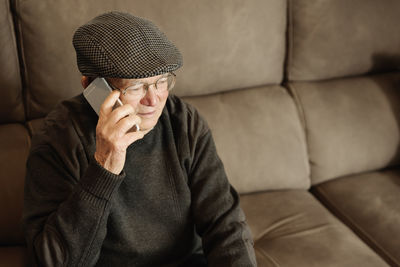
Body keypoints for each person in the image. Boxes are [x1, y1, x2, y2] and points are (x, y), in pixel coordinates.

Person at [23, 11, 256, 267]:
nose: (153, 100)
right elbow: (53, 262)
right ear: (92, 87)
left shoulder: (185, 123)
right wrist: (104, 166)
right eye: (135, 87)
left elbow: (226, 225)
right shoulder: (58, 138)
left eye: (160, 82)